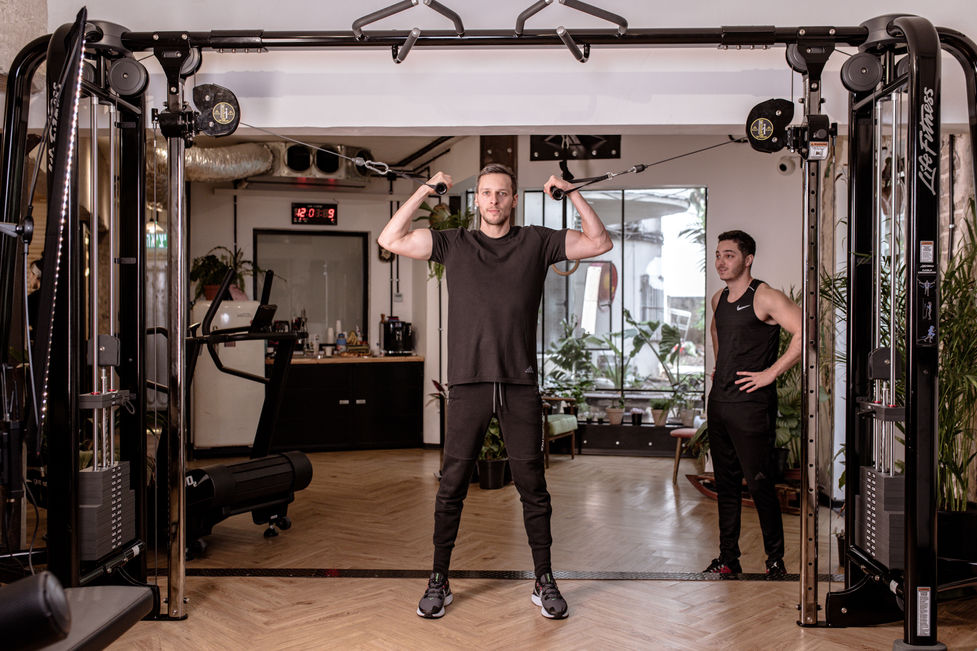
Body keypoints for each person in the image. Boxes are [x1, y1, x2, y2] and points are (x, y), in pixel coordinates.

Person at [377, 163, 612, 619]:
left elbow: (599, 242)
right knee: (451, 489)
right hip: (467, 382)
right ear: (476, 199)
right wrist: (427, 189)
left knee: (534, 489)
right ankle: (439, 581)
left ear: (513, 200)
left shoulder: (537, 241)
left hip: (519, 383)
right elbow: (391, 238)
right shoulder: (453, 243)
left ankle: (544, 581)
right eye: (486, 193)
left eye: (502, 194)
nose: (494, 201)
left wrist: (572, 192)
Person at [704, 229, 801, 579]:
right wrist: (722, 365)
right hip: (720, 403)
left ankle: (775, 559)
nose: (721, 261)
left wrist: (770, 373)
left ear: (748, 259)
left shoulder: (765, 296)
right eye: (717, 254)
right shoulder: (718, 299)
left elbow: (805, 332)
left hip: (751, 406)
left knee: (759, 483)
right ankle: (728, 558)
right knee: (725, 485)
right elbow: (718, 334)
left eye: (728, 254)